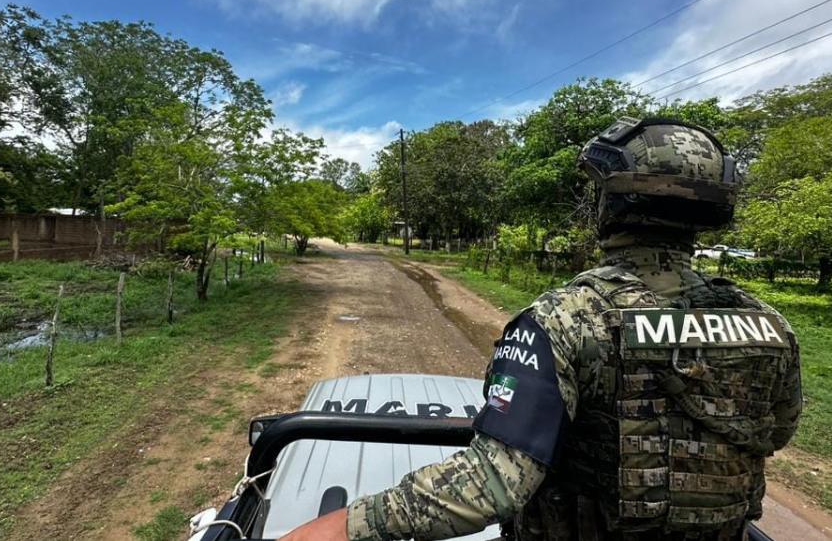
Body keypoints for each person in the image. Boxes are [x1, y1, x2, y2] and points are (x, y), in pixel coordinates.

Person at [281, 117, 803, 541]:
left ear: (613, 204)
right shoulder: (768, 323)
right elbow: (775, 432)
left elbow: (492, 485)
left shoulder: (566, 318)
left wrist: (346, 525)